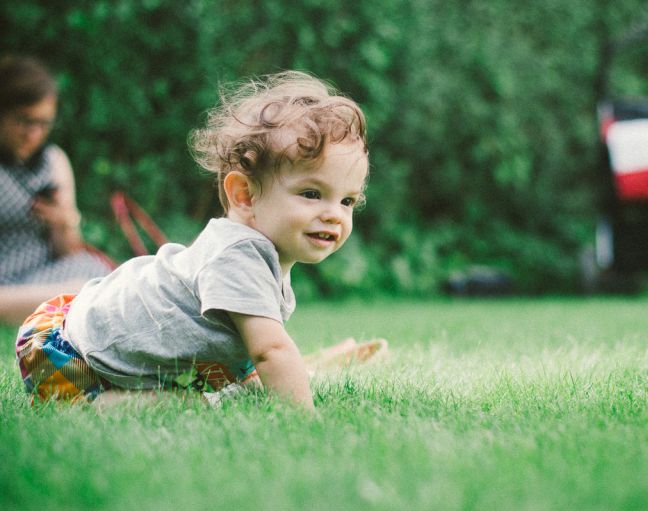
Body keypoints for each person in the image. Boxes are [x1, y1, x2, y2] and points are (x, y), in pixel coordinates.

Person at [15, 71, 385, 411]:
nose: (334, 213)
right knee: (189, 404)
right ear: (244, 195)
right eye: (311, 193)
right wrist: (304, 420)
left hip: (82, 327)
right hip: (68, 357)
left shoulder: (258, 252)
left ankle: (306, 368)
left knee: (233, 387)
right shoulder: (239, 254)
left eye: (347, 200)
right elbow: (270, 350)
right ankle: (95, 407)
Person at [0, 55, 112, 324]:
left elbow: (68, 252)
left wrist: (64, 222)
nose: (33, 133)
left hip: (40, 275)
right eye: (24, 121)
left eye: (43, 123)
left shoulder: (53, 161)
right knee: (93, 292)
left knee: (100, 273)